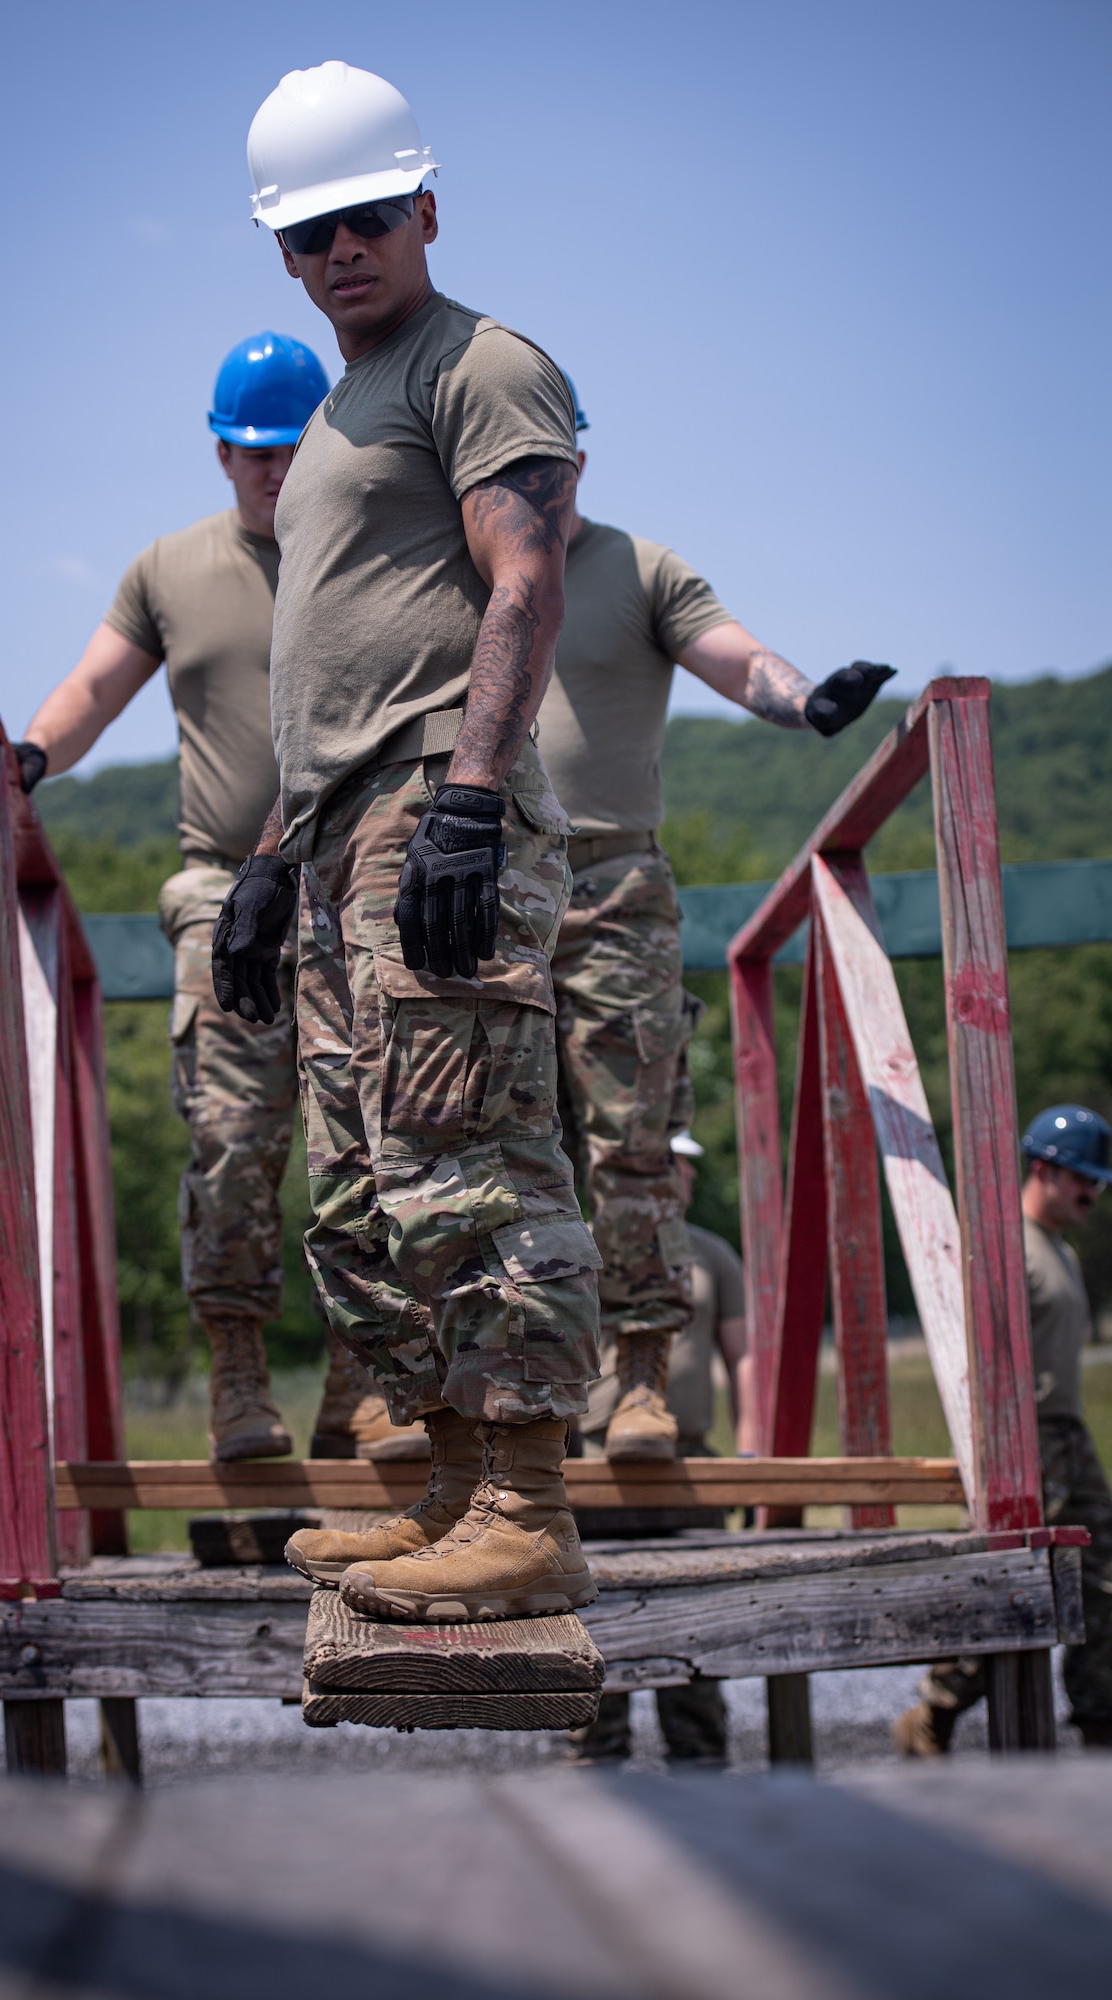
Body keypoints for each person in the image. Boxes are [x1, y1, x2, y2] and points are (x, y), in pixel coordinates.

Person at [213, 60, 603, 1621]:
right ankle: (453, 1482)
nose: (340, 253)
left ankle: (528, 1506)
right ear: (284, 257)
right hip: (333, 837)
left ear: (426, 209)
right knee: (374, 1184)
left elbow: (523, 579)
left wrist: (469, 797)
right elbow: (321, 677)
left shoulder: (480, 364)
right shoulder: (321, 428)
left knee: (475, 1158)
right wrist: (260, 860)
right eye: (309, 237)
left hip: (435, 809)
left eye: (367, 219)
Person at [546, 388, 894, 1458]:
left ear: (578, 462)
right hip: (484, 887)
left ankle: (644, 1380)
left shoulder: (638, 568)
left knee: (633, 1140)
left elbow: (732, 653)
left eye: (548, 453)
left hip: (613, 884)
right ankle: (531, 1395)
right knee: (504, 1153)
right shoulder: (447, 570)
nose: (529, 473)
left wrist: (800, 701)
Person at [13, 331, 329, 1462]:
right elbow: (94, 686)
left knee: (374, 1135)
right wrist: (31, 757)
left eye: (294, 446)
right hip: (220, 888)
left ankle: (368, 1379)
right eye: (254, 451)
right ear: (220, 451)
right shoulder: (169, 568)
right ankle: (239, 1379)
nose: (275, 470)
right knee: (235, 1134)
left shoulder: (369, 552)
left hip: (354, 876)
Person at [894, 1104, 1112, 1753]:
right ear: (1044, 1169)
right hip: (1022, 1439)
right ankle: (933, 1712)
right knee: (1007, 1586)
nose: (1092, 1193)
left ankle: (1100, 1721)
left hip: (1068, 1439)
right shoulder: (1005, 1245)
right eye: (1082, 1179)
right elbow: (979, 1358)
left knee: (1102, 1584)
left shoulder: (1060, 1252)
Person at [568, 1131, 756, 1765]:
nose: (683, 1178)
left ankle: (700, 1761)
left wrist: (753, 1454)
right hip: (601, 1467)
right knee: (596, 1637)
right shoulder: (586, 1251)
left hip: (692, 1462)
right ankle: (597, 1768)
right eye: (670, 1163)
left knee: (697, 1631)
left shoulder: (711, 1256)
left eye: (688, 1168)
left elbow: (744, 1358)